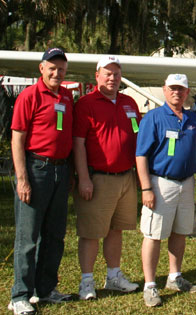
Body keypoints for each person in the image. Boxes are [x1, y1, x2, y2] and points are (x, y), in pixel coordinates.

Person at [9, 48, 73, 315]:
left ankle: (45, 289)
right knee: (28, 236)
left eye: (61, 69)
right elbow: (17, 139)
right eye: (52, 68)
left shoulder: (68, 96)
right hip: (36, 169)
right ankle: (20, 295)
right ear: (42, 69)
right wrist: (23, 179)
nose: (57, 73)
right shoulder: (29, 96)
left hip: (61, 170)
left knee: (55, 234)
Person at [136, 74, 196, 307]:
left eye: (181, 89)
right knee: (154, 234)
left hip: (187, 183)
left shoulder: (193, 119)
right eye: (173, 88)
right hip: (160, 183)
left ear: (187, 92)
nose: (177, 92)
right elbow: (141, 155)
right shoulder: (154, 118)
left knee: (180, 231)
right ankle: (150, 285)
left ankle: (174, 277)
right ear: (164, 90)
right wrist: (146, 188)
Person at [73, 55, 141, 300]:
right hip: (97, 178)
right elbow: (78, 144)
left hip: (126, 178)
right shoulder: (86, 104)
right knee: (91, 233)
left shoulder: (129, 103)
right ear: (97, 76)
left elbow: (138, 137)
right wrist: (83, 178)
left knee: (116, 230)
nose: (113, 78)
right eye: (108, 74)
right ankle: (87, 281)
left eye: (116, 74)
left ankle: (113, 276)